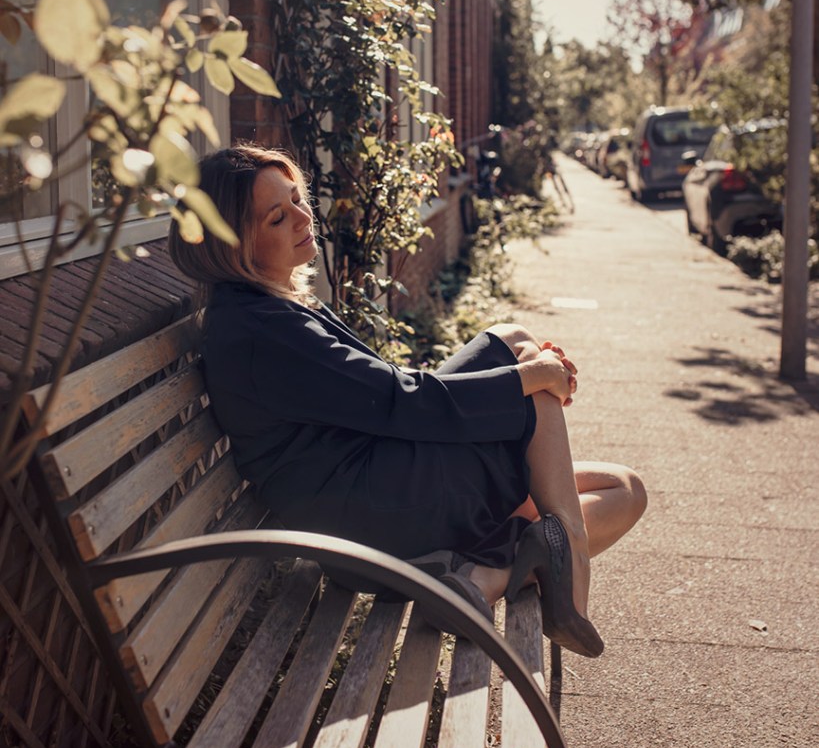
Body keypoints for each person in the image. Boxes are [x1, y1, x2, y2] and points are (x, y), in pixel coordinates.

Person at [168, 143, 646, 657]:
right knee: (520, 354)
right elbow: (396, 400)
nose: (304, 218)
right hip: (371, 517)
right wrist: (525, 380)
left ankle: (485, 578)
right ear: (235, 245)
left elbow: (387, 395)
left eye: (297, 200)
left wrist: (527, 379)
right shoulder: (262, 331)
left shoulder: (264, 310)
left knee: (624, 488)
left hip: (381, 493)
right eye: (278, 218)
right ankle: (571, 565)